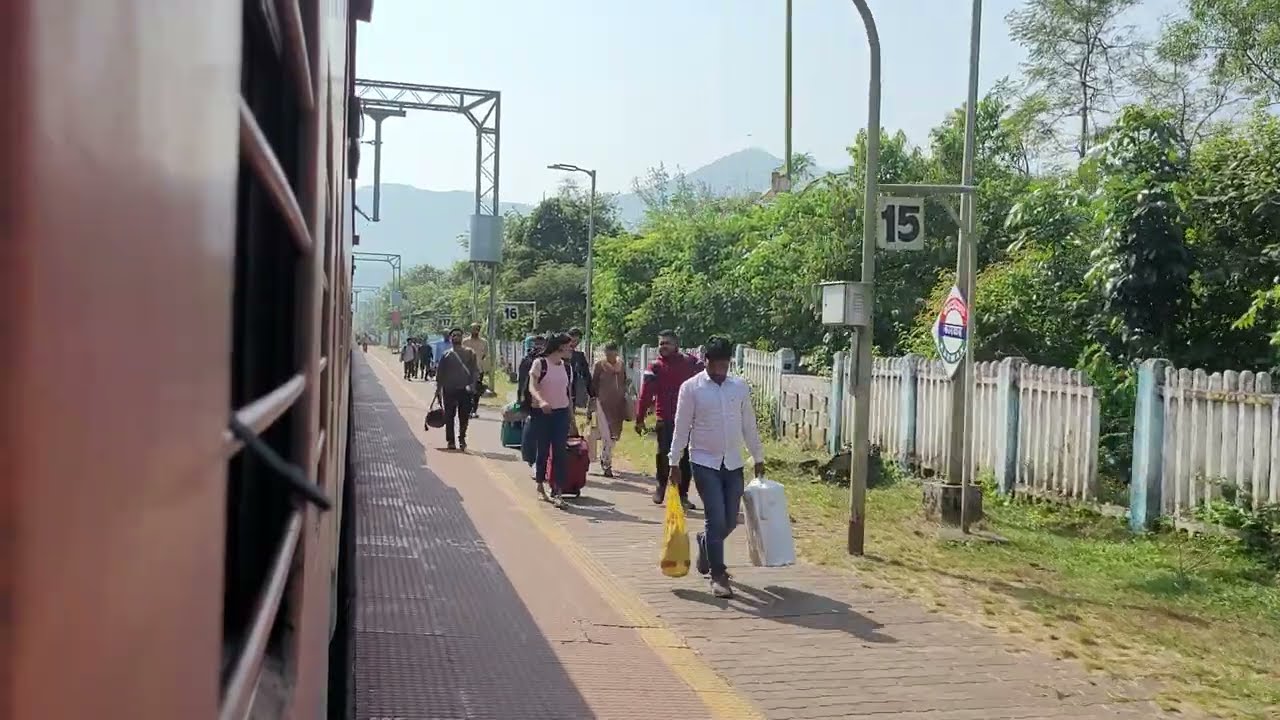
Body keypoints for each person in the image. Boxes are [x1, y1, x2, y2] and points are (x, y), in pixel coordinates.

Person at [667, 336, 764, 599]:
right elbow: (681, 426)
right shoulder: (692, 388)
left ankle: (706, 544)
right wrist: (674, 462)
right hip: (703, 461)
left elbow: (748, 425)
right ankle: (718, 575)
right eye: (716, 364)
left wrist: (758, 456)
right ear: (706, 361)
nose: (721, 370)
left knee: (730, 520)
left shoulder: (739, 387)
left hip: (733, 461)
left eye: (725, 364)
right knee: (715, 517)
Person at [635, 329, 703, 510]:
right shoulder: (654, 367)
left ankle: (683, 494)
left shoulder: (691, 363)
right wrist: (640, 418)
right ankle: (661, 486)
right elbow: (645, 394)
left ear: (676, 345)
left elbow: (704, 383)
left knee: (686, 457)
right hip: (664, 417)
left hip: (688, 418)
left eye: (667, 343)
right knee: (663, 454)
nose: (663, 347)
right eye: (661, 343)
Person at [528, 333, 575, 504]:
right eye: (569, 346)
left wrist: (572, 417)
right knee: (543, 449)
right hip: (543, 413)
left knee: (560, 452)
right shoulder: (540, 364)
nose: (572, 349)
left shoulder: (567, 367)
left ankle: (558, 490)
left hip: (561, 413)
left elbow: (568, 393)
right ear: (560, 346)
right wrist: (541, 401)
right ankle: (540, 483)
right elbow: (532, 386)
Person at [435, 327, 479, 451]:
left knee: (464, 416)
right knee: (449, 416)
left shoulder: (470, 353)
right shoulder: (446, 354)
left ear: (462, 337)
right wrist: (438, 389)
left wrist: (473, 385)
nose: (456, 337)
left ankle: (462, 438)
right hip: (449, 389)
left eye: (458, 335)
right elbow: (440, 373)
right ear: (450, 338)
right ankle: (451, 441)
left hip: (465, 389)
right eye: (453, 335)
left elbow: (474, 371)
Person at [590, 341, 628, 477]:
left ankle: (605, 457)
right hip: (602, 405)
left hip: (618, 406)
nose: (610, 355)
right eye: (607, 352)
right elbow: (593, 384)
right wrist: (592, 403)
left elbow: (625, 382)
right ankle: (607, 464)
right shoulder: (599, 366)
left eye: (613, 352)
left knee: (614, 436)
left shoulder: (621, 365)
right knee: (606, 435)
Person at [517, 334, 547, 477]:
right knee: (532, 433)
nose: (540, 347)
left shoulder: (549, 361)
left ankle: (541, 462)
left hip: (548, 401)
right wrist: (521, 400)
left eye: (542, 344)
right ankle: (532, 459)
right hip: (530, 401)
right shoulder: (528, 360)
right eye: (537, 344)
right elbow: (522, 381)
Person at [462, 323, 490, 418]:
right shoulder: (465, 342)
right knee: (467, 391)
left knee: (476, 391)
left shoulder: (484, 342)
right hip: (467, 370)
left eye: (477, 329)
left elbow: (485, 354)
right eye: (473, 329)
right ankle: (467, 409)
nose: (475, 331)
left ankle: (474, 410)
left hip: (478, 370)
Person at [565, 327, 594, 411]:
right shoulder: (557, 354)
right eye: (573, 341)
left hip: (572, 391)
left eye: (577, 342)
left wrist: (592, 394)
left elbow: (586, 375)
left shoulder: (579, 356)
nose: (574, 344)